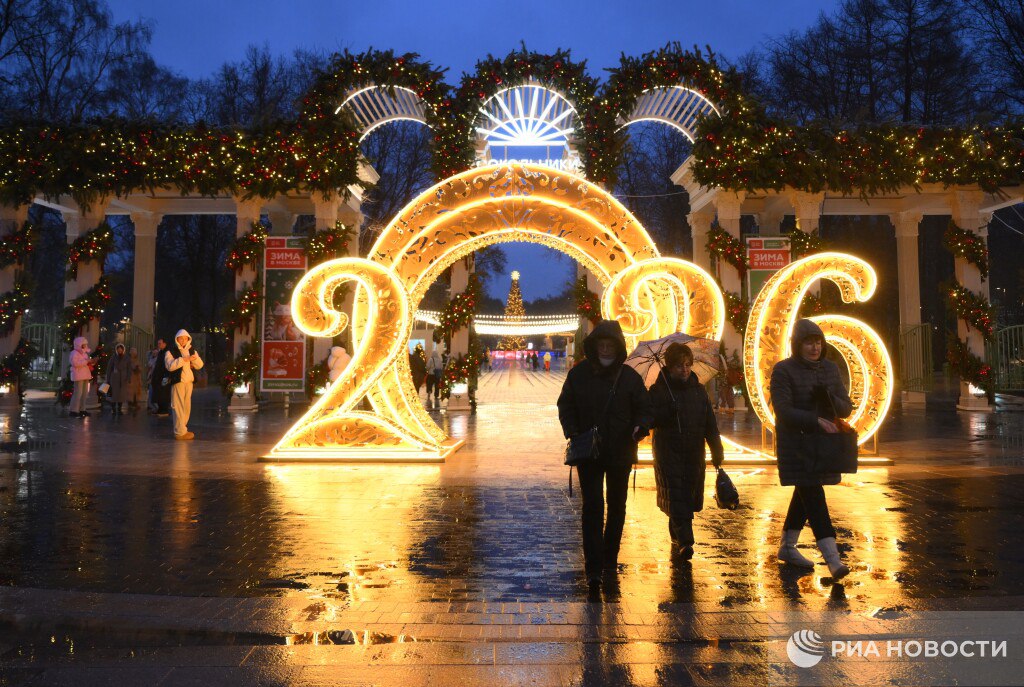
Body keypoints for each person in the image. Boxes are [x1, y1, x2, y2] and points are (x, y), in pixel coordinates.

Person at [557, 320, 652, 589]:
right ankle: (594, 566)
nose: (607, 349)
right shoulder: (579, 375)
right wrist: (573, 431)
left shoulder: (629, 377)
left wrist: (640, 426)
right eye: (603, 344)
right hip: (590, 451)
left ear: (618, 348)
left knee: (617, 507)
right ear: (595, 346)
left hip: (621, 450)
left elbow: (644, 408)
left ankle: (610, 559)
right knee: (592, 508)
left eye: (611, 345)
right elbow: (566, 405)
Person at [770, 319, 854, 580]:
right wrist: (813, 419)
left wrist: (830, 396)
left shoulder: (830, 368)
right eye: (808, 342)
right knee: (814, 495)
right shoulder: (783, 370)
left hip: (823, 444)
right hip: (797, 445)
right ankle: (833, 559)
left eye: (818, 342)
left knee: (805, 491)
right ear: (798, 345)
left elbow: (845, 407)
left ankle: (787, 547)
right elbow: (783, 411)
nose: (814, 347)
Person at [649, 343, 725, 559]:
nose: (684, 370)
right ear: (669, 367)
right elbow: (650, 418)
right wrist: (666, 412)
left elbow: (709, 423)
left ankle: (677, 535)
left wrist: (716, 449)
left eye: (687, 365)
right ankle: (686, 541)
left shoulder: (698, 391)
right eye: (679, 366)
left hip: (693, 453)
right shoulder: (659, 390)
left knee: (686, 498)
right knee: (677, 495)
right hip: (668, 453)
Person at [164, 329, 204, 441]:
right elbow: (170, 366)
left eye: (185, 338)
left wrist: (193, 360)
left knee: (186, 406)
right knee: (177, 406)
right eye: (180, 339)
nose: (183, 341)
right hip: (178, 382)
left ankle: (183, 429)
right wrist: (184, 360)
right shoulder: (171, 351)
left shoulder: (191, 350)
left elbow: (199, 365)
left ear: (188, 339)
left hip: (189, 382)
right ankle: (179, 431)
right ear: (177, 339)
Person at [68, 336, 96, 418]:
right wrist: (87, 361)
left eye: (85, 344)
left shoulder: (84, 353)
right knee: (78, 393)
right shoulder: (74, 353)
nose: (85, 346)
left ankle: (82, 409)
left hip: (85, 375)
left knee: (84, 393)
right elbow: (75, 363)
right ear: (79, 344)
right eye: (84, 344)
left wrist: (92, 362)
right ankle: (74, 410)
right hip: (78, 375)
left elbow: (85, 363)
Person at [104, 343, 131, 415]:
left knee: (121, 395)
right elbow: (109, 368)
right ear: (116, 350)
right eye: (118, 349)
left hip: (123, 379)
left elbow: (129, 368)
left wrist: (128, 377)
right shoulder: (113, 357)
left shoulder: (127, 358)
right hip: (114, 379)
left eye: (121, 349)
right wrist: (108, 379)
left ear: (123, 350)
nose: (119, 350)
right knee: (114, 394)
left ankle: (119, 409)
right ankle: (113, 409)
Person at [149, 339, 170, 416]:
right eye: (158, 343)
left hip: (165, 376)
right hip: (159, 377)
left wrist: (166, 376)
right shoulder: (161, 352)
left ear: (164, 343)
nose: (158, 345)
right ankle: (161, 409)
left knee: (164, 393)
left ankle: (164, 410)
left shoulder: (167, 352)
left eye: (160, 343)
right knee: (159, 393)